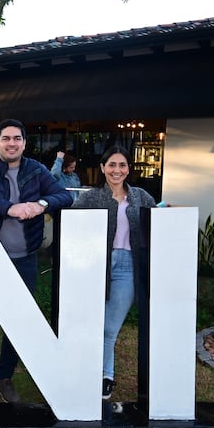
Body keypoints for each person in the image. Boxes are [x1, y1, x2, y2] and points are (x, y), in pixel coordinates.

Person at [0, 119, 72, 403]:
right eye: (6, 138)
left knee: (19, 322)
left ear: (24, 142)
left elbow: (64, 196)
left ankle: (5, 376)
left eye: (17, 138)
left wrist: (41, 205)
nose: (12, 143)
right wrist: (9, 208)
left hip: (25, 259)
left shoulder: (36, 169)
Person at [71, 144, 155, 400]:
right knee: (93, 323)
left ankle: (103, 375)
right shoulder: (90, 198)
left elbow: (156, 221)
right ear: (102, 168)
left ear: (129, 169)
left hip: (128, 265)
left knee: (109, 327)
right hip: (96, 265)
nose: (117, 170)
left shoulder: (140, 196)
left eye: (122, 165)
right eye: (112, 165)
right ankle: (96, 373)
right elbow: (73, 228)